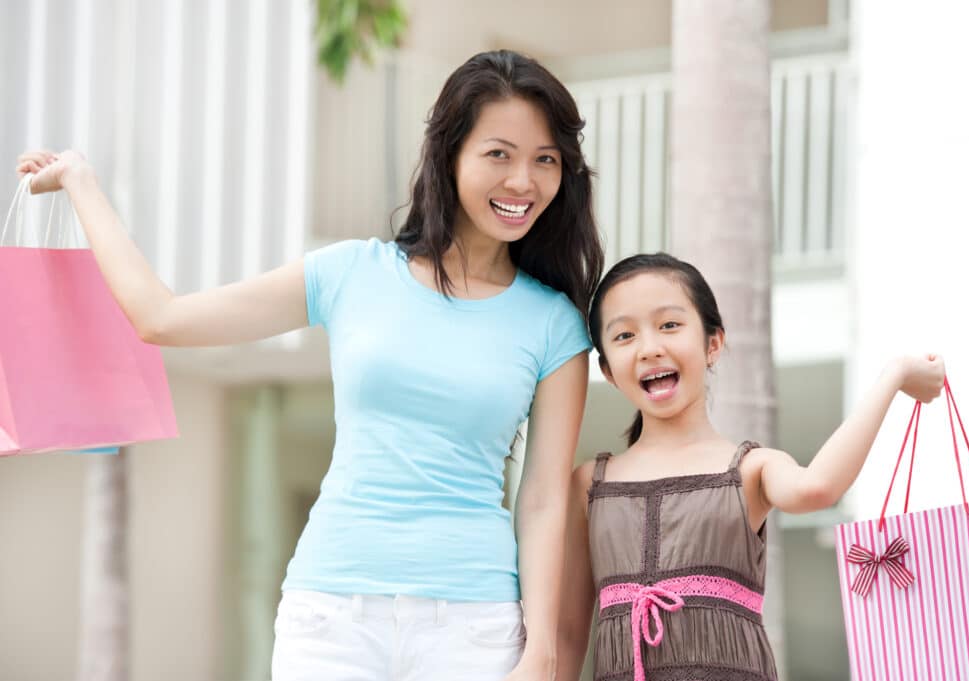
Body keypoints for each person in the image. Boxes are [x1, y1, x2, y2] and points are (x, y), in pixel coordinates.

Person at [18, 49, 603, 681]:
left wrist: (541, 649)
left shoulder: (553, 323)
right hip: (332, 617)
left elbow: (542, 499)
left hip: (475, 625)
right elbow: (162, 318)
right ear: (449, 154)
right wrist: (82, 183)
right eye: (499, 154)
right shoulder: (350, 272)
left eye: (545, 160)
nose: (523, 181)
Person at [556, 253, 943, 681]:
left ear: (713, 344)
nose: (650, 348)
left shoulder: (751, 467)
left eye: (669, 325)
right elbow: (569, 631)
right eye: (625, 334)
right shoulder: (589, 484)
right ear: (608, 370)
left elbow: (818, 488)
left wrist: (893, 376)